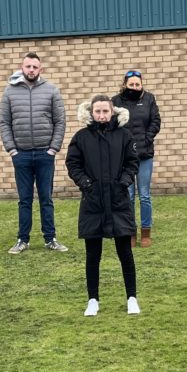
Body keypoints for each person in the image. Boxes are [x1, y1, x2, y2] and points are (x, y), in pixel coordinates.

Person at [66, 95, 141, 316]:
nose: (101, 115)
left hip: (118, 200)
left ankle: (132, 298)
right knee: (93, 254)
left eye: (105, 111)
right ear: (91, 113)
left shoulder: (124, 135)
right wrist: (86, 184)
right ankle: (93, 300)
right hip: (93, 201)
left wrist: (123, 182)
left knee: (125, 252)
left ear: (112, 112)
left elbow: (132, 162)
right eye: (97, 111)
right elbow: (73, 164)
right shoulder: (81, 137)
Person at [0, 51, 67, 253]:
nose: (31, 70)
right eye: (27, 66)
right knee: (24, 200)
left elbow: (60, 121)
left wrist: (53, 149)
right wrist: (12, 150)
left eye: (34, 67)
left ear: (40, 69)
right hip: (21, 155)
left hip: (45, 154)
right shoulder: (9, 92)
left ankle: (50, 238)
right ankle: (23, 239)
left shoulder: (51, 90)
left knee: (46, 198)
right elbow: (4, 123)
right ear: (22, 68)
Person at [112, 70, 162, 246]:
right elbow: (112, 125)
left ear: (141, 84)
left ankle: (146, 231)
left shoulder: (149, 99)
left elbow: (155, 121)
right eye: (131, 84)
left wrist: (147, 139)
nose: (134, 87)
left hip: (144, 155)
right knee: (129, 195)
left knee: (145, 195)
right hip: (124, 157)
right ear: (125, 84)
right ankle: (130, 231)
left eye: (137, 84)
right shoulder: (116, 101)